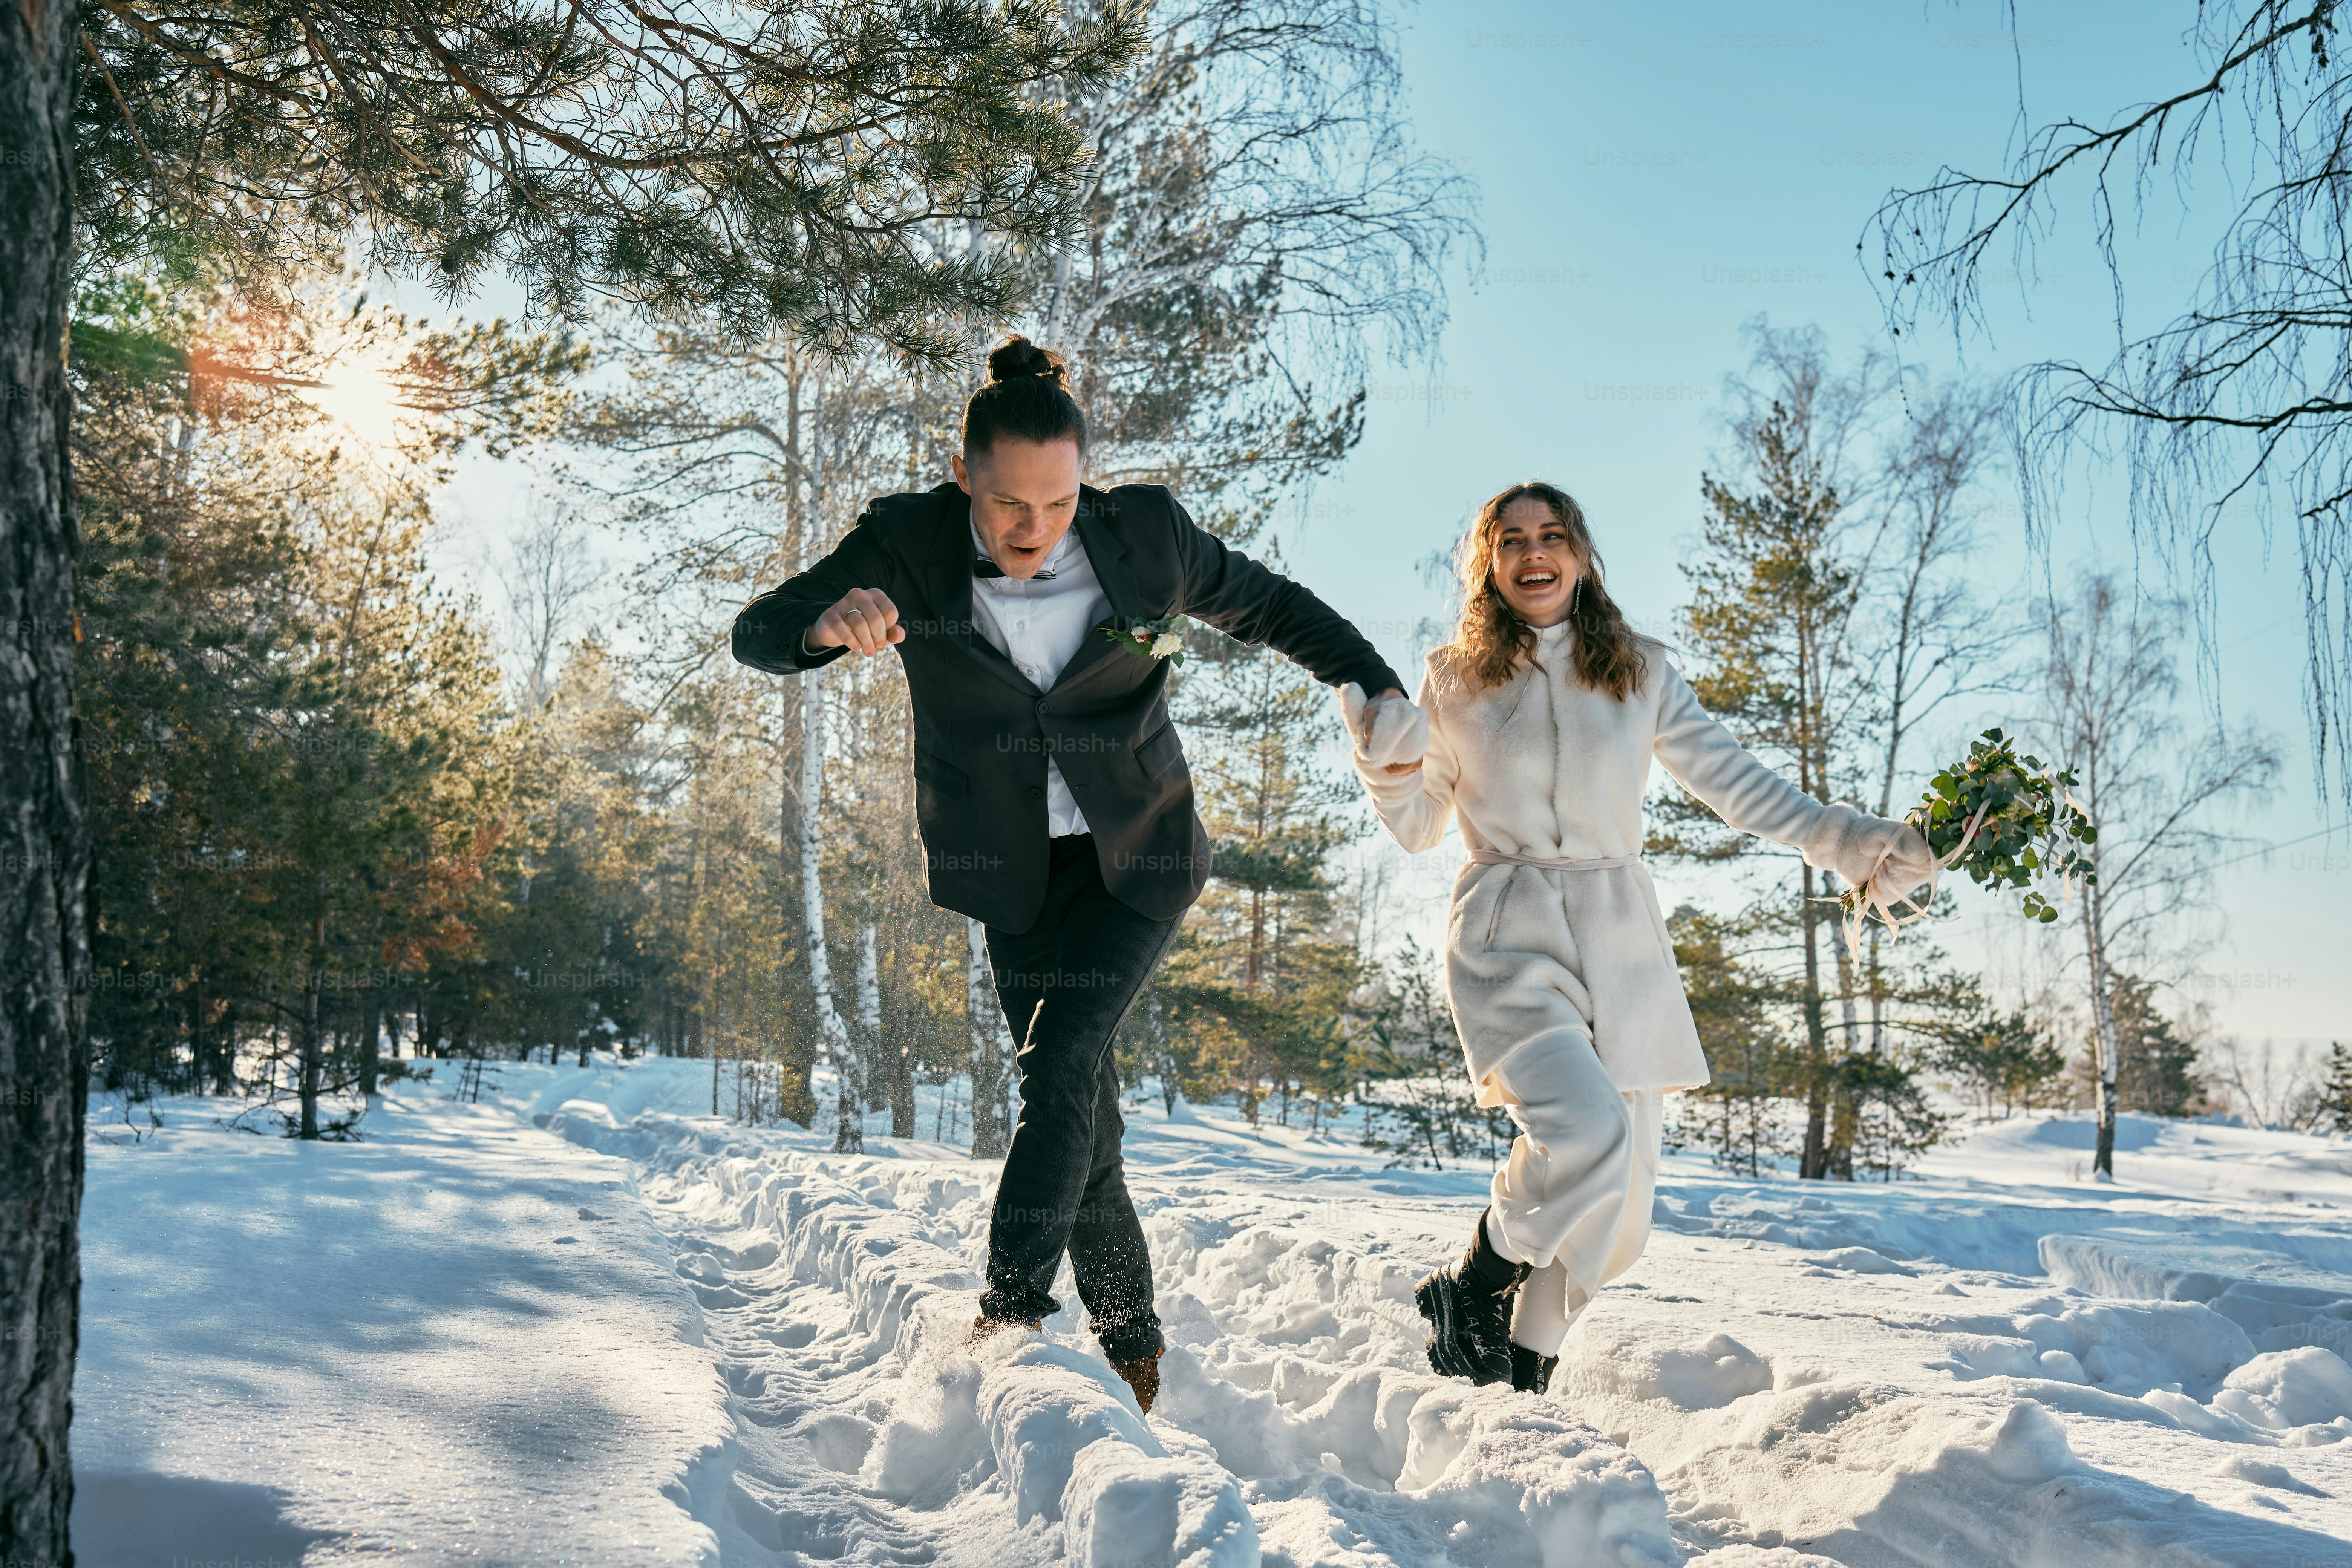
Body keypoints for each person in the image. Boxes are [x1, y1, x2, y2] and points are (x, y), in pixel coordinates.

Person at [731, 336, 1408, 1413]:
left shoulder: (1147, 538)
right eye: (1006, 506)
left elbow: (1276, 606)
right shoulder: (903, 544)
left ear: (1083, 482)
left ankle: (1007, 1316)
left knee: (1060, 1062)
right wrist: (820, 626)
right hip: (1007, 871)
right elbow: (755, 633)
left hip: (1138, 853)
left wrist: (1377, 684)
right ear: (962, 478)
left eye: (1055, 505)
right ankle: (1135, 1346)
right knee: (1085, 1119)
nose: (1031, 531)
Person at [1343, 480, 1935, 1395]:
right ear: (1489, 565)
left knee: (1616, 1206)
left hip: (1621, 943)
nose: (1534, 553)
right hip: (1509, 934)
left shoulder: (1639, 669)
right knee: (1585, 1132)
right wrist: (1387, 767)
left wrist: (1854, 845)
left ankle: (1519, 1385)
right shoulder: (1455, 679)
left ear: (1580, 554)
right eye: (1512, 540)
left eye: (1552, 536)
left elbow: (1738, 785)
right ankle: (1472, 1283)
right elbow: (1421, 824)